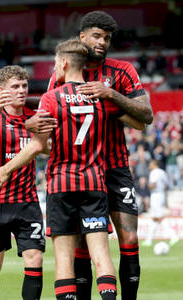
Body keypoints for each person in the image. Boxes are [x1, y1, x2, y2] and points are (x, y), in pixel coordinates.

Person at [0, 38, 146, 300]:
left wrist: (7, 168)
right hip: (95, 183)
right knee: (102, 256)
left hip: (62, 185)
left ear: (63, 63)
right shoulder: (99, 95)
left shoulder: (51, 98)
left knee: (64, 259)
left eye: (54, 63)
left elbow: (37, 146)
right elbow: (140, 123)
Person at [45, 11, 153, 300]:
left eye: (107, 38)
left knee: (129, 238)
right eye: (97, 36)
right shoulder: (62, 75)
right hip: (80, 171)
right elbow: (48, 118)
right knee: (81, 244)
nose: (103, 42)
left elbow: (147, 116)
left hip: (115, 167)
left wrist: (111, 95)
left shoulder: (122, 71)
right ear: (82, 37)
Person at [0, 65, 46, 300]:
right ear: (2, 89)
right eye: (15, 86)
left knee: (35, 260)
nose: (21, 90)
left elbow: (47, 150)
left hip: (27, 202)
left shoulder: (33, 117)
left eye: (24, 85)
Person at [142, 160, 179, 246]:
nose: (149, 166)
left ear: (154, 164)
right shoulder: (163, 172)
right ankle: (149, 240)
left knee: (158, 217)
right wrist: (166, 200)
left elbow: (153, 184)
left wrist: (147, 187)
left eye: (150, 164)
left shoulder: (154, 172)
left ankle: (173, 235)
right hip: (161, 195)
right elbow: (166, 186)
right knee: (155, 218)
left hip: (156, 195)